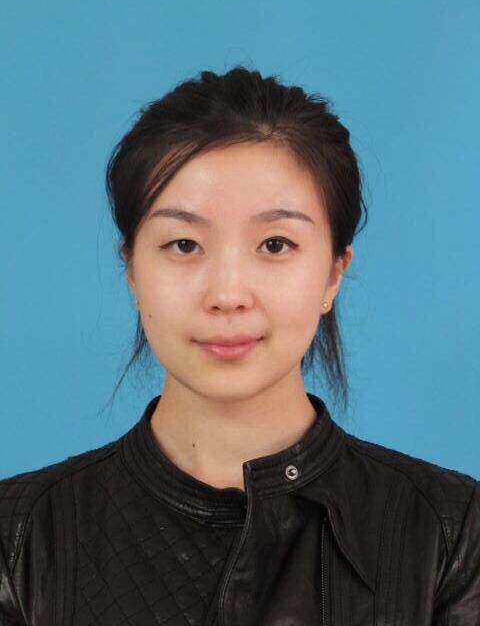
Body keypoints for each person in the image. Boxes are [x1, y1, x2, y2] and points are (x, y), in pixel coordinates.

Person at [0, 66, 478, 625]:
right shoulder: (19, 539)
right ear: (131, 269)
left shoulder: (451, 536)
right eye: (184, 244)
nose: (227, 294)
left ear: (333, 273)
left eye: (275, 244)